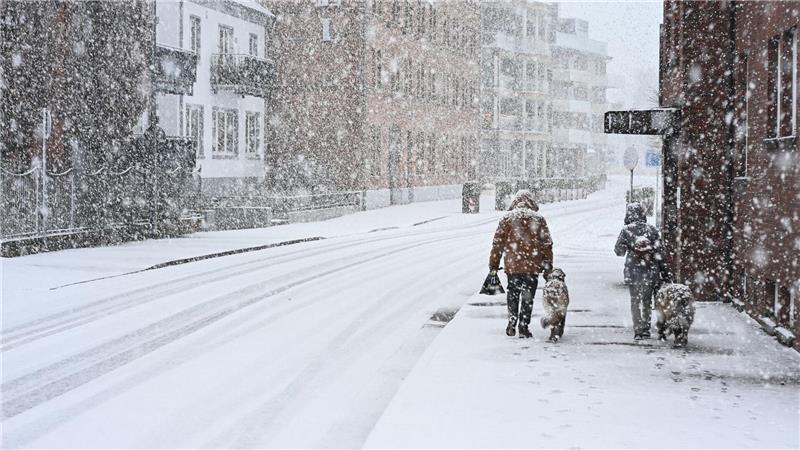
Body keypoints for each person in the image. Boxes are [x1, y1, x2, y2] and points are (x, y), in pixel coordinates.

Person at [489, 190, 553, 338]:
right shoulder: (538, 219)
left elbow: (497, 244)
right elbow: (547, 245)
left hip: (513, 266)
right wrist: (547, 267)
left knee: (513, 292)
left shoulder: (507, 219)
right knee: (527, 296)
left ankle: (512, 319)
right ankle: (523, 326)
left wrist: (493, 265)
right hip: (532, 266)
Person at [614, 202, 669, 340]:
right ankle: (646, 328)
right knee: (647, 301)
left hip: (633, 271)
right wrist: (664, 272)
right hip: (650, 271)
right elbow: (660, 252)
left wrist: (629, 246)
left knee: (635, 301)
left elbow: (619, 251)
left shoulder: (626, 230)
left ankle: (638, 330)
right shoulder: (652, 230)